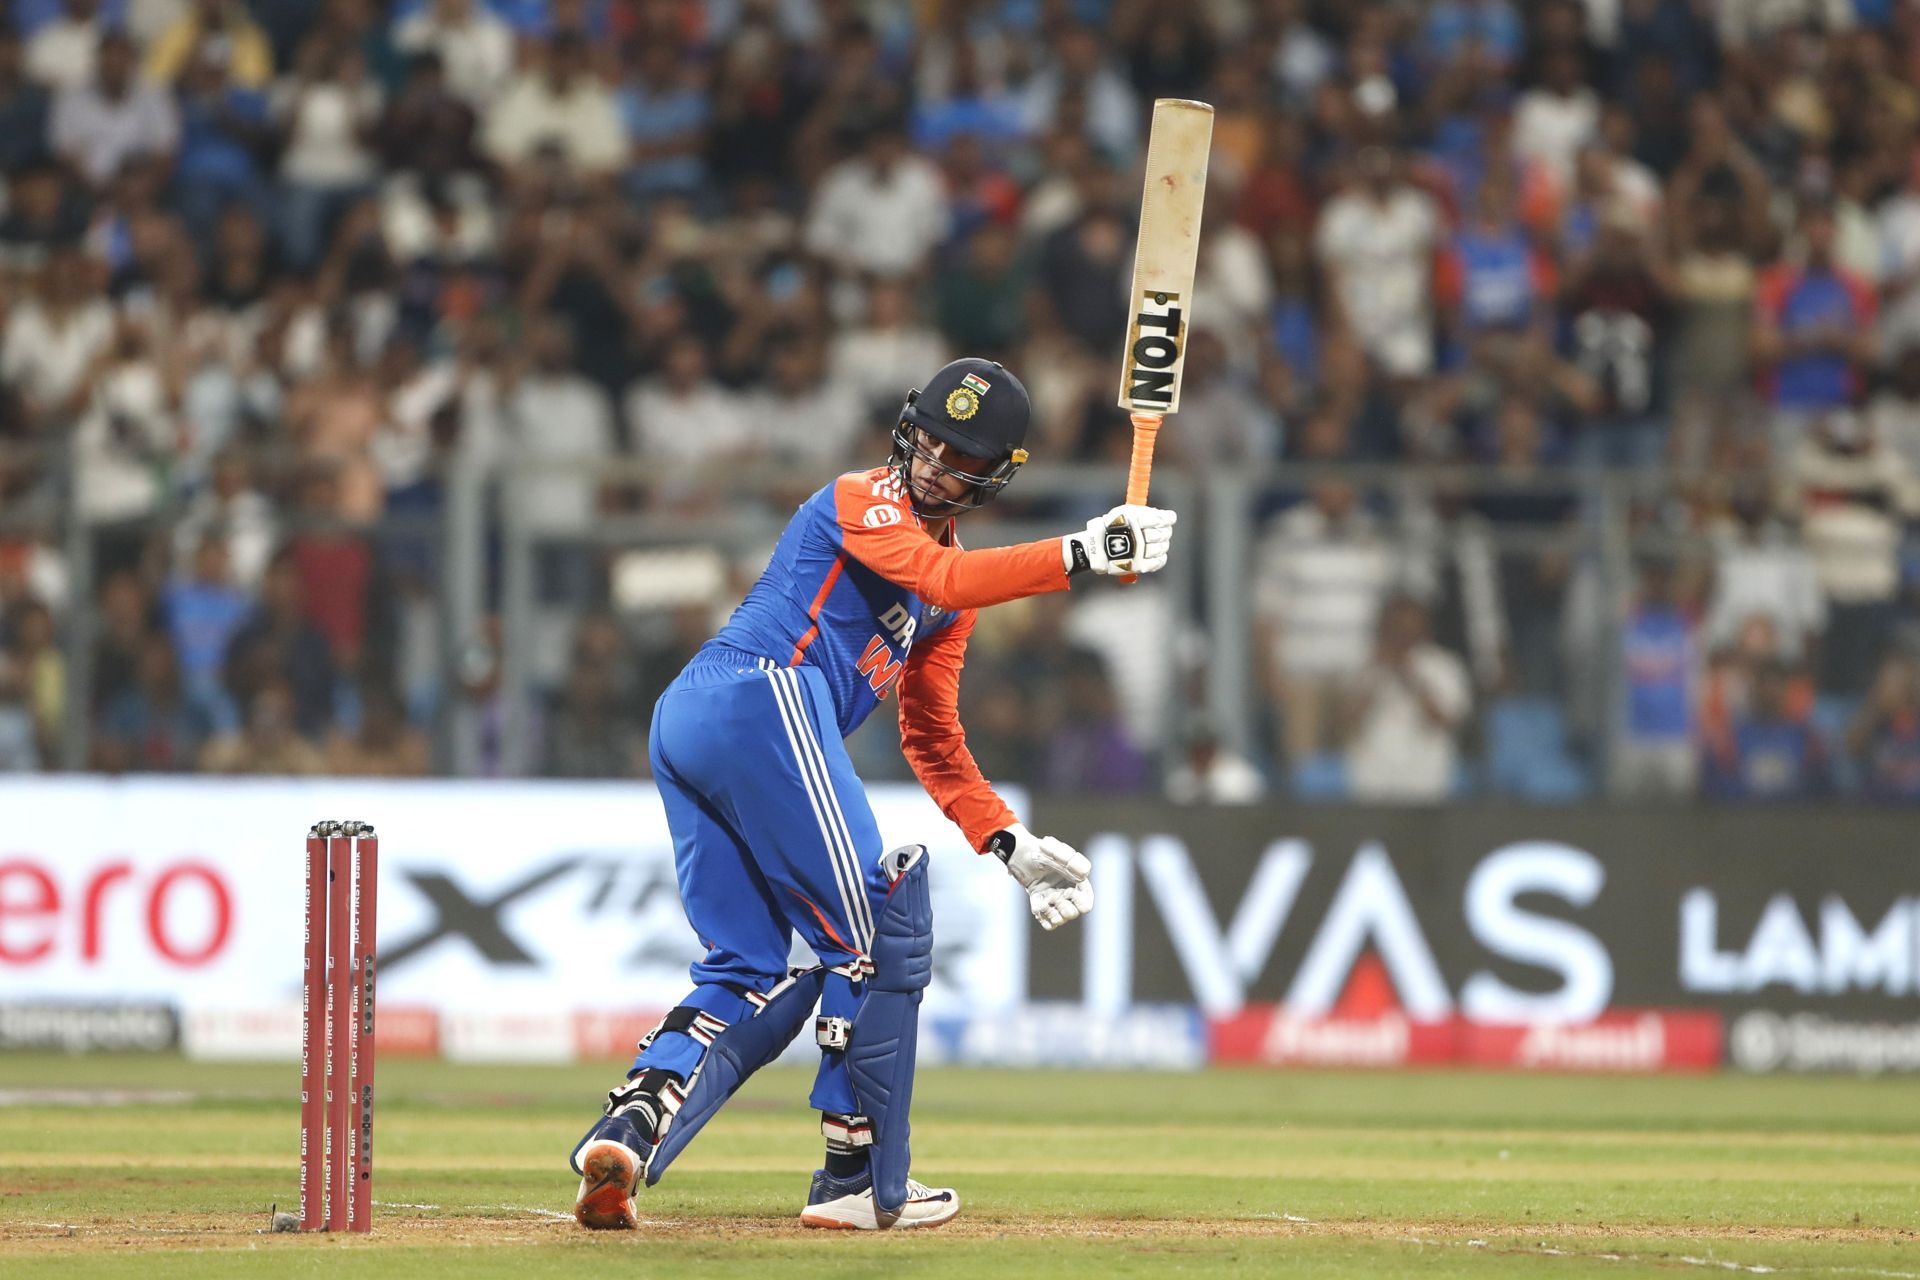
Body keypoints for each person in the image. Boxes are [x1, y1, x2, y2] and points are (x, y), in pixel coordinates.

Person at [567, 358, 1176, 1232]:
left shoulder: (948, 598)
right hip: (757, 695)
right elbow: (943, 581)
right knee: (873, 933)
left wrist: (1008, 840)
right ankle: (857, 1177)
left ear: (996, 472)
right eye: (928, 435)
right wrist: (1086, 551)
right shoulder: (861, 497)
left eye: (959, 452)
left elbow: (931, 738)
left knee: (747, 965)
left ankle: (632, 1128)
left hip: (708, 723)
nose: (932, 459)